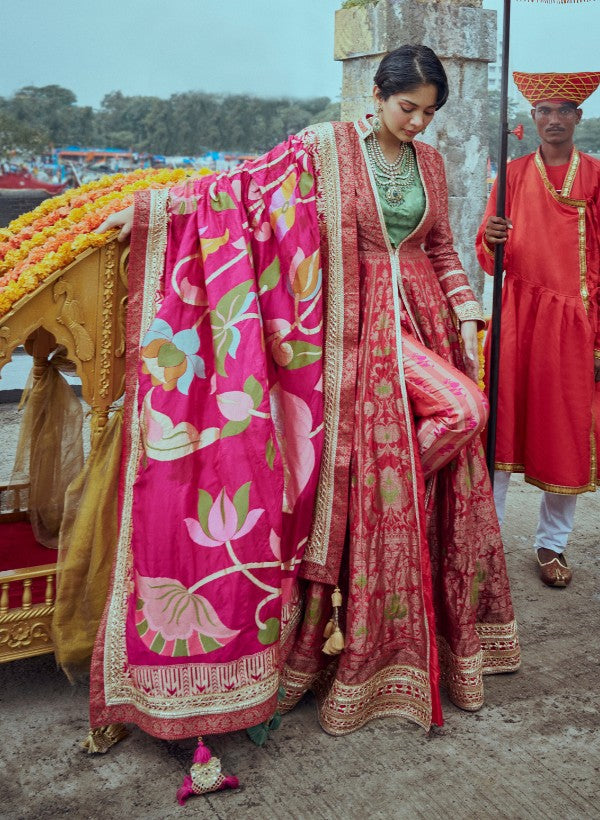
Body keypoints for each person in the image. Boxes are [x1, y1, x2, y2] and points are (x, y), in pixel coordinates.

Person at [91, 45, 519, 797]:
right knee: (449, 418)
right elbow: (244, 192)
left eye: (427, 112)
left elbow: (443, 246)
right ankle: (355, 529)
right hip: (349, 336)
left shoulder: (433, 165)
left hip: (419, 323)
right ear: (378, 95)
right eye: (406, 107)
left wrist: (466, 306)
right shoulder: (322, 151)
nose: (416, 122)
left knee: (464, 412)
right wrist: (155, 212)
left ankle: (369, 496)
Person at [476, 71, 600, 589]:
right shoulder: (511, 174)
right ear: (533, 118)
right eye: (543, 111)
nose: (552, 119)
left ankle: (552, 547)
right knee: (500, 428)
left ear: (578, 117)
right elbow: (487, 259)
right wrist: (492, 235)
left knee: (566, 432)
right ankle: (486, 544)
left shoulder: (595, 176)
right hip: (517, 315)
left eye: (563, 110)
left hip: (575, 321)